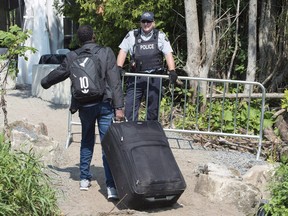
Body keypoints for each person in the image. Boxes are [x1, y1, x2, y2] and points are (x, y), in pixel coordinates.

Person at [41, 25, 124, 200]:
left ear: (79, 39)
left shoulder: (72, 56)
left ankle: (84, 179)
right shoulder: (106, 52)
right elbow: (114, 81)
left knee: (86, 141)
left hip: (85, 105)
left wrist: (45, 82)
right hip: (104, 104)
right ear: (94, 36)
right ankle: (111, 187)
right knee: (107, 144)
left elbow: (60, 72)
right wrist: (119, 107)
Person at [117, 11, 178, 121]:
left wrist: (172, 70)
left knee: (153, 110)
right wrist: (119, 67)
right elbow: (123, 51)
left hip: (155, 77)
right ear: (140, 22)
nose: (146, 24)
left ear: (153, 22)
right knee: (130, 107)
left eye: (148, 21)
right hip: (136, 78)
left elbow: (168, 54)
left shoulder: (160, 36)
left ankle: (150, 134)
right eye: (144, 21)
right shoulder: (132, 35)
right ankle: (131, 133)